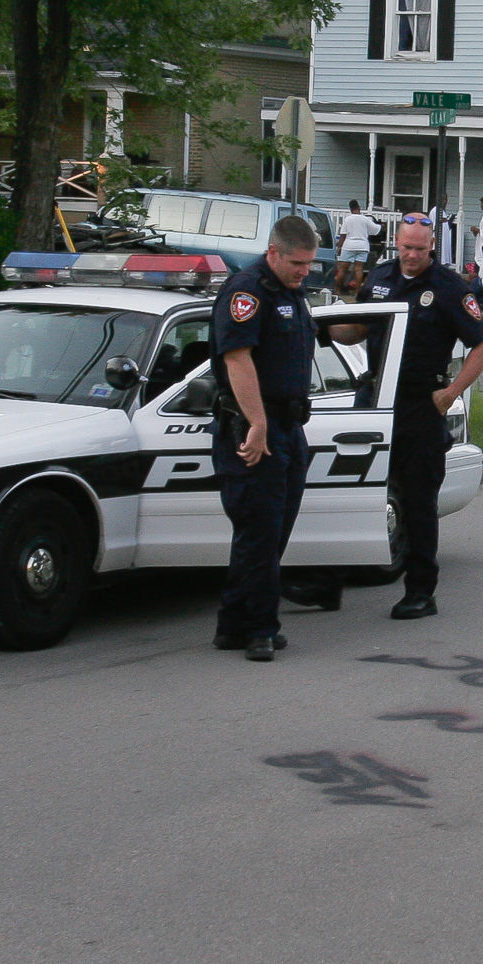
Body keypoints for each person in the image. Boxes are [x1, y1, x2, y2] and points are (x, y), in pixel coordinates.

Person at [325, 217, 483, 619]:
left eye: (420, 249)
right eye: (406, 248)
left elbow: (482, 346)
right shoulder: (382, 278)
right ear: (396, 244)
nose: (412, 256)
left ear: (432, 246)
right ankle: (324, 582)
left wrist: (451, 394)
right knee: (352, 490)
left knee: (417, 500)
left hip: (420, 404)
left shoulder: (449, 288)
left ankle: (420, 591)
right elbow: (359, 329)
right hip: (375, 397)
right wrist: (326, 327)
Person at [208, 215, 320, 662]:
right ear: (273, 252)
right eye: (297, 262)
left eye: (309, 264)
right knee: (259, 531)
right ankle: (260, 629)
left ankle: (233, 623)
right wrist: (257, 424)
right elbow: (238, 359)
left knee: (272, 532)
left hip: (290, 428)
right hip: (258, 427)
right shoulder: (246, 291)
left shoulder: (291, 292)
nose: (304, 271)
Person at [337, 199, 379, 296]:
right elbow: (376, 229)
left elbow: (343, 235)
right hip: (363, 246)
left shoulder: (347, 219)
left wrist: (339, 248)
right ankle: (357, 292)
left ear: (350, 209)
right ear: (359, 207)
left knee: (343, 269)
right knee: (359, 269)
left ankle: (338, 290)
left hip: (349, 245)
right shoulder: (365, 219)